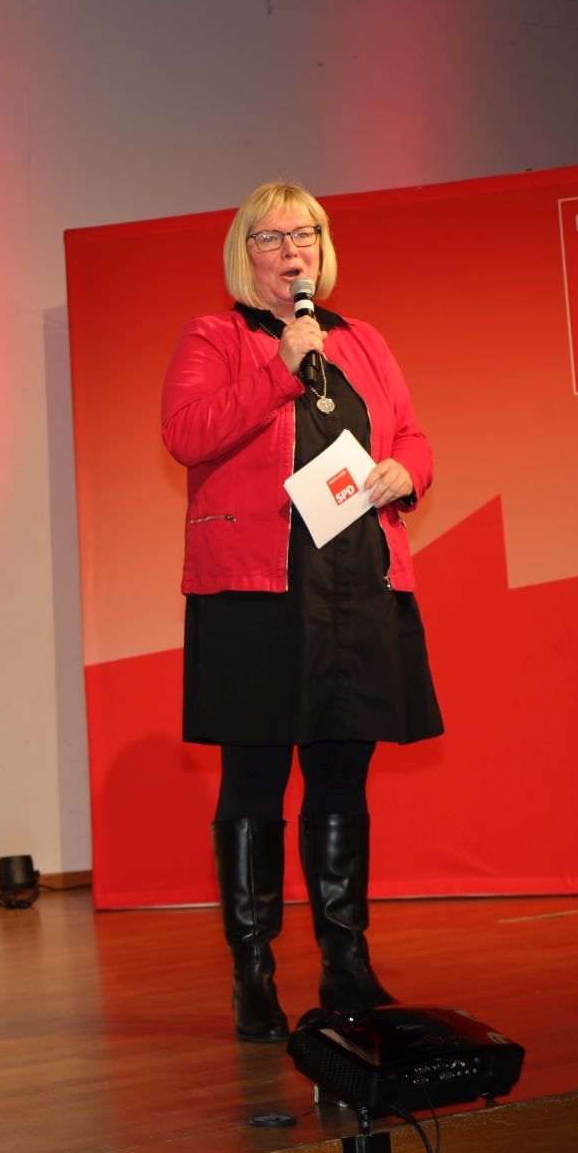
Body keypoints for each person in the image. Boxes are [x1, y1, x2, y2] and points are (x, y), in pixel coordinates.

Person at [159, 181, 443, 1043]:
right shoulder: (214, 337)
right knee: (254, 781)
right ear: (244, 253)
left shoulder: (364, 339)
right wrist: (280, 369)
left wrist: (407, 472)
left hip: (354, 585)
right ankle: (253, 972)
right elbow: (187, 433)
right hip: (257, 590)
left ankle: (346, 959)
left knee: (341, 779)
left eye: (306, 234)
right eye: (273, 237)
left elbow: (411, 433)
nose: (293, 251)